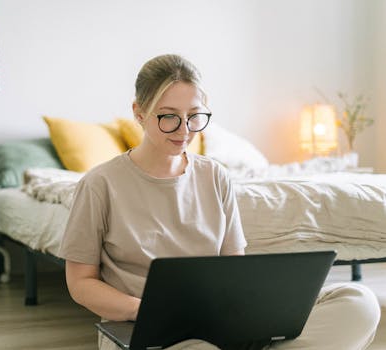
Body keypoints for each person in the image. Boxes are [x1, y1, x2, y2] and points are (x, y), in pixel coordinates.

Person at [58, 54, 381, 350]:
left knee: (357, 302)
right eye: (168, 117)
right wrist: (141, 309)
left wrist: (258, 313)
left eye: (195, 116)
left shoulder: (216, 175)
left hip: (222, 325)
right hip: (147, 331)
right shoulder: (100, 184)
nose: (184, 130)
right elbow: (80, 283)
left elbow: (233, 269)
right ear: (139, 112)